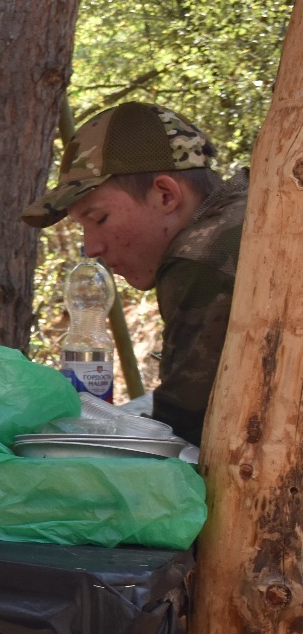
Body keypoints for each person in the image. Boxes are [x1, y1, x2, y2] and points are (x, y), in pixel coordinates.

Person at [21, 102, 247, 446]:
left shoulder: (200, 258)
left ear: (166, 195)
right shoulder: (252, 209)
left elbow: (180, 440)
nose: (92, 247)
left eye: (99, 219)